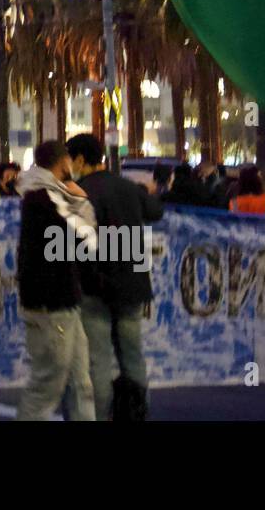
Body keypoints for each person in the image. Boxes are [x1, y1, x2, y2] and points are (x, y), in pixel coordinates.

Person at [66, 133, 162, 421]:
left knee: (98, 362)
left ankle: (101, 415)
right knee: (133, 355)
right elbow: (156, 211)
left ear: (80, 160)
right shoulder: (127, 188)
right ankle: (136, 412)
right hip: (132, 284)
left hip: (94, 286)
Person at [16, 140, 97, 421]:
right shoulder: (46, 197)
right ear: (63, 163)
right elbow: (86, 238)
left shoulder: (44, 194)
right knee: (47, 385)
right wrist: (83, 201)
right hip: (52, 305)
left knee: (79, 383)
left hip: (61, 303)